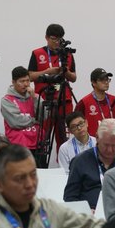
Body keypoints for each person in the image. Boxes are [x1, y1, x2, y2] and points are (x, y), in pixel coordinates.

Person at [28, 23, 77, 151]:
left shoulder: (67, 54)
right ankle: (40, 167)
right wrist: (48, 71)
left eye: (59, 39)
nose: (56, 42)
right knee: (43, 138)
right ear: (46, 37)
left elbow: (74, 78)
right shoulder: (37, 53)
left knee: (64, 140)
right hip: (44, 100)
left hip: (64, 100)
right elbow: (30, 76)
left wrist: (64, 71)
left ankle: (65, 167)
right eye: (53, 38)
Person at [64, 119, 115, 209]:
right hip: (89, 217)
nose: (109, 150)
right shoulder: (80, 161)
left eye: (114, 145)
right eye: (106, 145)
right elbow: (69, 197)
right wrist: (85, 211)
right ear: (97, 137)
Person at [1, 66, 39, 153]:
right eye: (22, 81)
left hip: (37, 144)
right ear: (13, 82)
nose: (26, 84)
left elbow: (44, 116)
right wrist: (35, 120)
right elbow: (16, 122)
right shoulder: (7, 100)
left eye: (28, 80)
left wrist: (34, 99)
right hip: (17, 146)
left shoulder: (35, 97)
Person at [75, 68, 115, 138]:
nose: (106, 82)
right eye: (102, 80)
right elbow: (76, 124)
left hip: (111, 141)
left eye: (107, 79)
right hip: (92, 144)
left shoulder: (113, 99)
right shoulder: (84, 102)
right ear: (93, 83)